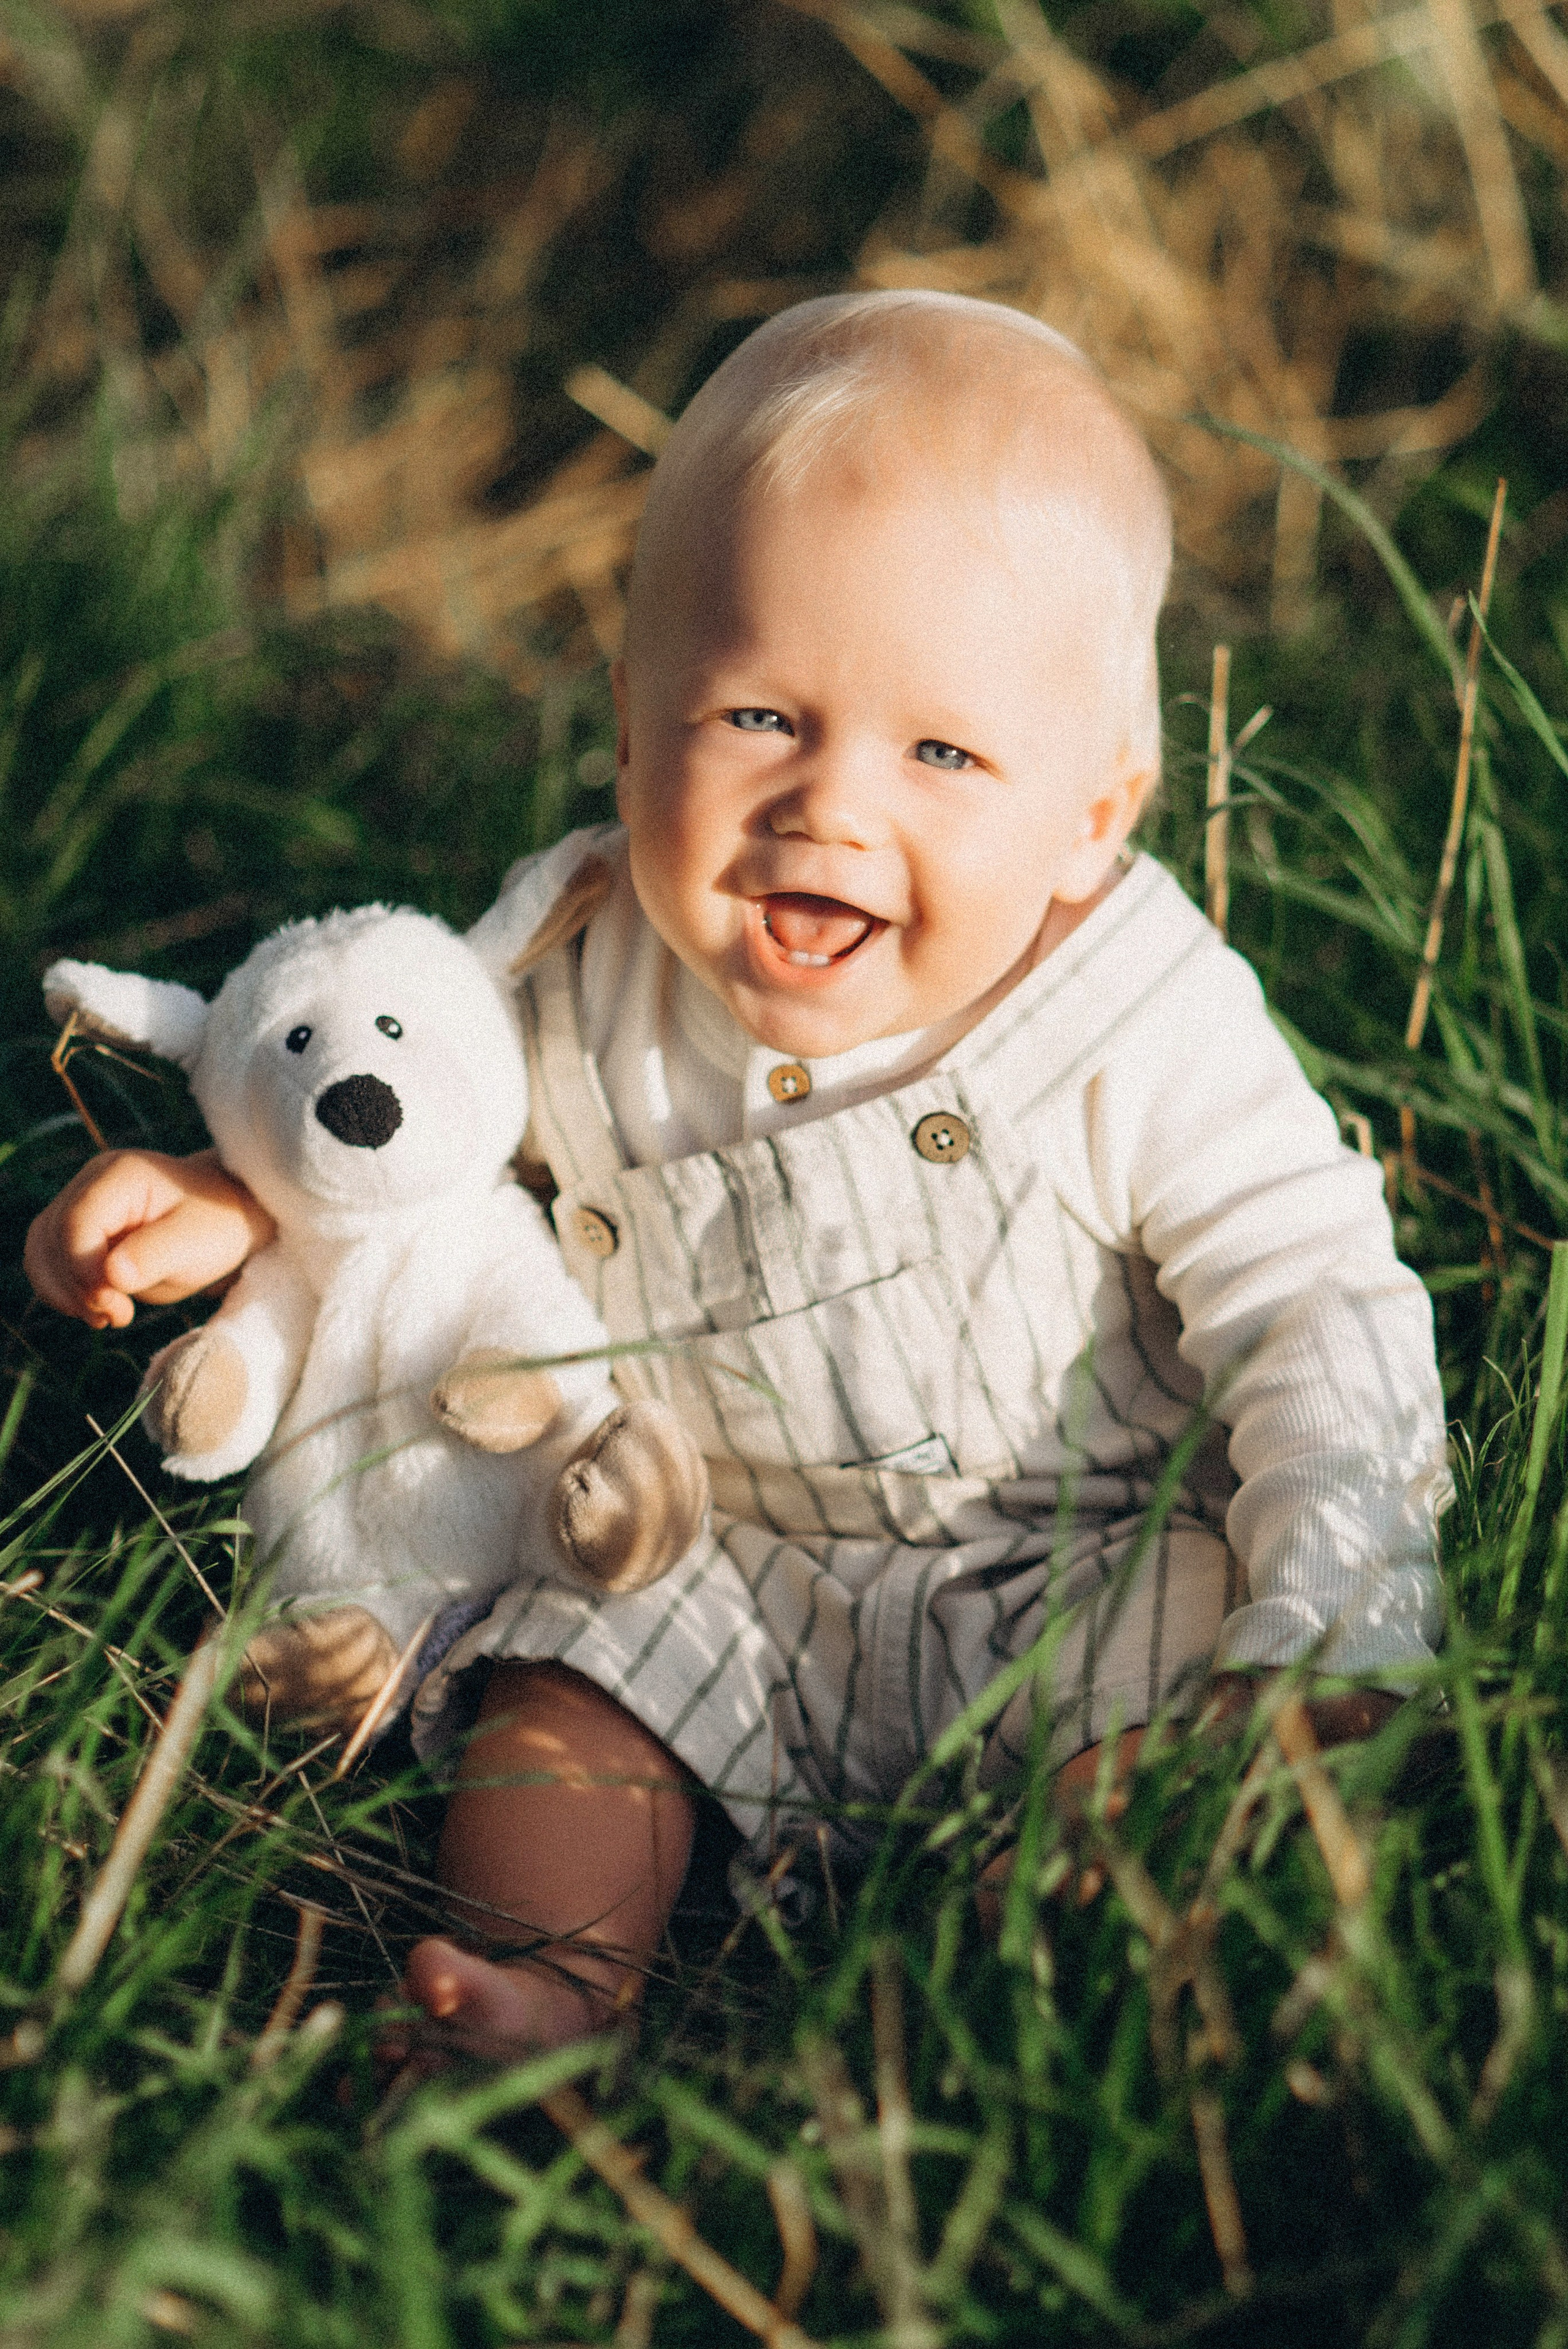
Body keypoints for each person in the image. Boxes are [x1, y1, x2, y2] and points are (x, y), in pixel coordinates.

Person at [24, 291, 1448, 2053]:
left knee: (1164, 1742)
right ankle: (543, 1979)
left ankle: (1051, 1952)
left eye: (941, 752)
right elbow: (416, 1126)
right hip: (711, 1545)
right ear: (632, 727)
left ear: (1096, 813)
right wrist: (241, 1193)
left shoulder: (1134, 1006)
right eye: (762, 715)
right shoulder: (589, 961)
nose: (830, 804)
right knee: (565, 1691)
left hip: (1075, 1567)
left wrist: (1337, 1605)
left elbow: (1314, 1294)